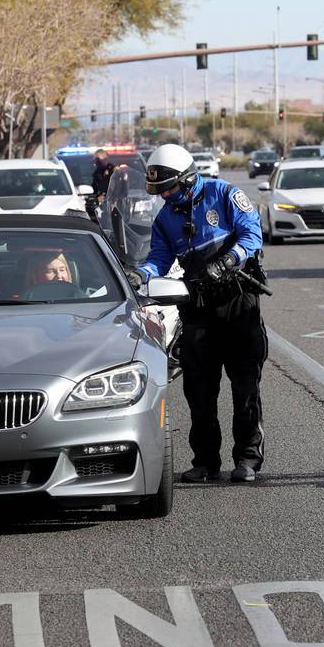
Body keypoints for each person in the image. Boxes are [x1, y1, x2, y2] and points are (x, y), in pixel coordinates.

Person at [133, 143, 267, 483]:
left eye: (169, 188)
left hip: (237, 304)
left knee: (245, 387)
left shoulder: (224, 194)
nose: (165, 196)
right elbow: (159, 259)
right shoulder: (165, 218)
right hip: (197, 309)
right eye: (159, 191)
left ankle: (247, 460)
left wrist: (228, 261)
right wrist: (141, 274)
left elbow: (253, 234)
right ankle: (205, 462)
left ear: (189, 179)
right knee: (199, 391)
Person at [90, 149, 115, 219]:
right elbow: (95, 188)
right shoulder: (97, 172)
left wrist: (106, 197)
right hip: (99, 205)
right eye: (95, 160)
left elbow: (118, 188)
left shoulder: (113, 171)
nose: (95, 162)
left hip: (111, 206)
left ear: (105, 159)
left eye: (97, 160)